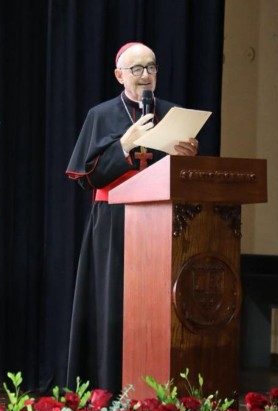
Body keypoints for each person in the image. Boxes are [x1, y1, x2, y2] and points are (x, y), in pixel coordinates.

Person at [64, 42, 198, 392]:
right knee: (114, 308)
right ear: (119, 75)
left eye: (151, 67)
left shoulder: (172, 113)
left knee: (158, 309)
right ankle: (107, 390)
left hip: (163, 220)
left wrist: (187, 158)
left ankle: (158, 389)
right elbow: (88, 178)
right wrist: (124, 144)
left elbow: (182, 177)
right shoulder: (101, 115)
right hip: (114, 222)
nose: (145, 75)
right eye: (136, 69)